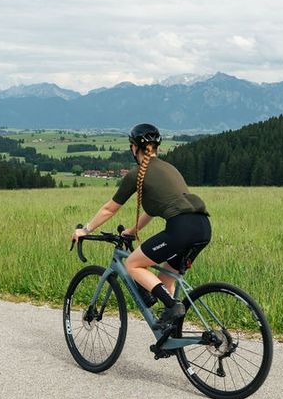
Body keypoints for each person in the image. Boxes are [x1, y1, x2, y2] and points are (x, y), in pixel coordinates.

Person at [70, 123, 211, 331]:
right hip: (202, 227)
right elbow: (155, 209)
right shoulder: (169, 168)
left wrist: (85, 230)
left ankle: (173, 306)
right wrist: (133, 230)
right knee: (165, 279)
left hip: (181, 229)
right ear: (157, 148)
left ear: (133, 148)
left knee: (133, 264)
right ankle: (170, 337)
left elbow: (110, 209)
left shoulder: (137, 174)